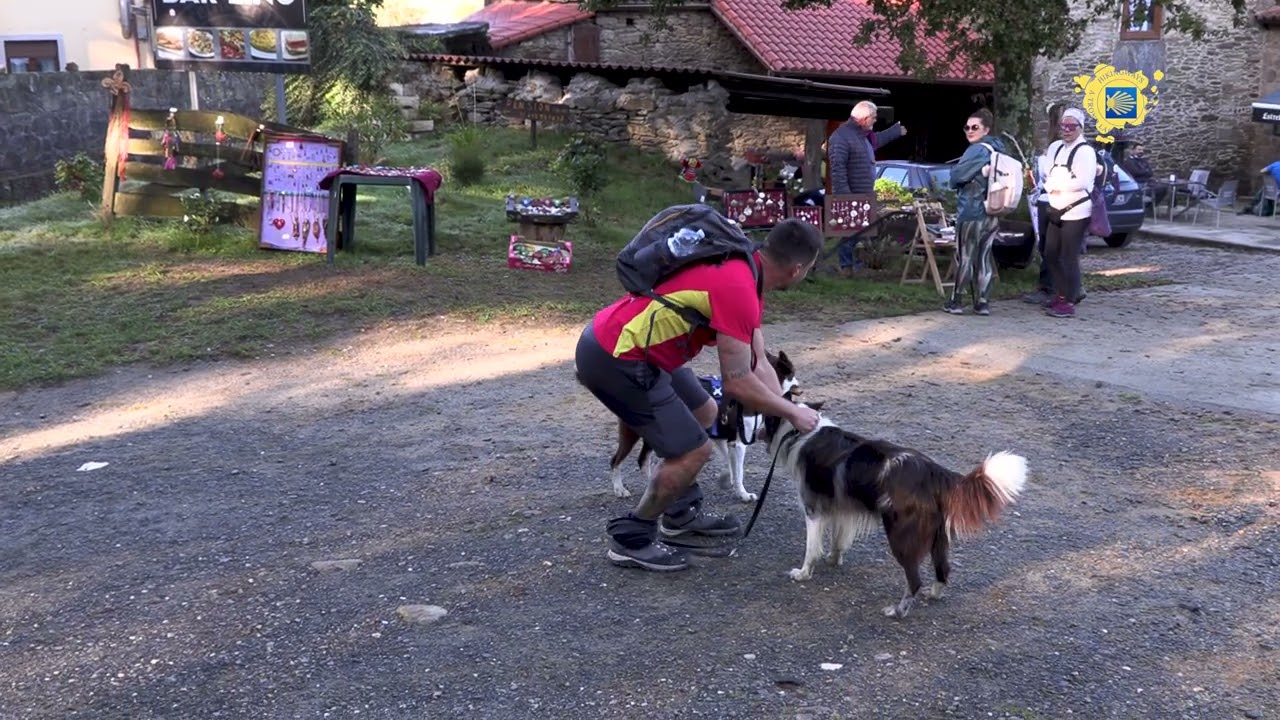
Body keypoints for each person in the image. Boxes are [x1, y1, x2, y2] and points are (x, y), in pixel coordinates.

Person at [574, 218, 824, 572]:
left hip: (639, 349)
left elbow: (758, 364)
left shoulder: (747, 270)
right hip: (616, 356)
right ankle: (632, 538)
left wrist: (790, 409)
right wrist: (793, 414)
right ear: (799, 268)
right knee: (694, 450)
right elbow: (737, 383)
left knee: (707, 412)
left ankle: (680, 513)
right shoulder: (738, 287)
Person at [830, 100, 907, 276]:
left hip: (864, 193)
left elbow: (876, 140)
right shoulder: (841, 137)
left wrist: (894, 131)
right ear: (864, 119)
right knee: (849, 232)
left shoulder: (862, 136)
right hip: (850, 193)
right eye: (873, 118)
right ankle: (846, 268)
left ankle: (857, 266)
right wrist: (845, 198)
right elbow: (838, 169)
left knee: (860, 232)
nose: (875, 121)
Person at [943, 109, 1005, 316]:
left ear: (985, 129)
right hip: (993, 211)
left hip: (972, 209)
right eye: (967, 127)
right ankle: (983, 302)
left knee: (966, 256)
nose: (969, 131)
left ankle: (956, 301)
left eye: (974, 127)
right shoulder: (999, 149)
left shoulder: (977, 150)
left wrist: (956, 174)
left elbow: (956, 177)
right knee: (985, 257)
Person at [1039, 107, 1096, 319]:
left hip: (1077, 209)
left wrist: (1057, 185)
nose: (1067, 130)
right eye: (1064, 126)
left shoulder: (1085, 152)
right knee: (1050, 252)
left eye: (1072, 126)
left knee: (1068, 256)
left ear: (1080, 128)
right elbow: (1047, 171)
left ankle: (1069, 300)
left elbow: (1083, 181)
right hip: (1056, 207)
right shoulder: (1055, 147)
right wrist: (1052, 185)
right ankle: (1061, 294)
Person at [1119, 142, 1168, 207]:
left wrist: (1144, 172)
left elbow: (1151, 173)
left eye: (1142, 150)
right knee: (1159, 190)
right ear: (1133, 150)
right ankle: (1146, 208)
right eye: (1139, 150)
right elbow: (1136, 172)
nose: (1141, 151)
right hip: (1138, 186)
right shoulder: (1129, 161)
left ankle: (1150, 207)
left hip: (1147, 184)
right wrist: (1145, 172)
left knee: (1164, 188)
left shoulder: (1143, 160)